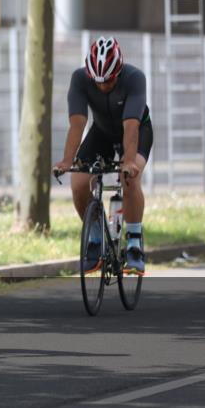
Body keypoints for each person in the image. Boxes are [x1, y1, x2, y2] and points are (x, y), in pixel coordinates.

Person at [52, 36, 154, 275]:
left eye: (108, 81)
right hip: (102, 132)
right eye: (97, 81)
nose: (102, 86)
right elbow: (77, 124)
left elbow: (131, 127)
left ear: (117, 72)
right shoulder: (79, 79)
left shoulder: (134, 78)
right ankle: (96, 239)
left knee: (129, 178)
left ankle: (134, 244)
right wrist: (68, 160)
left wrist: (129, 162)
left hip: (137, 130)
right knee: (78, 183)